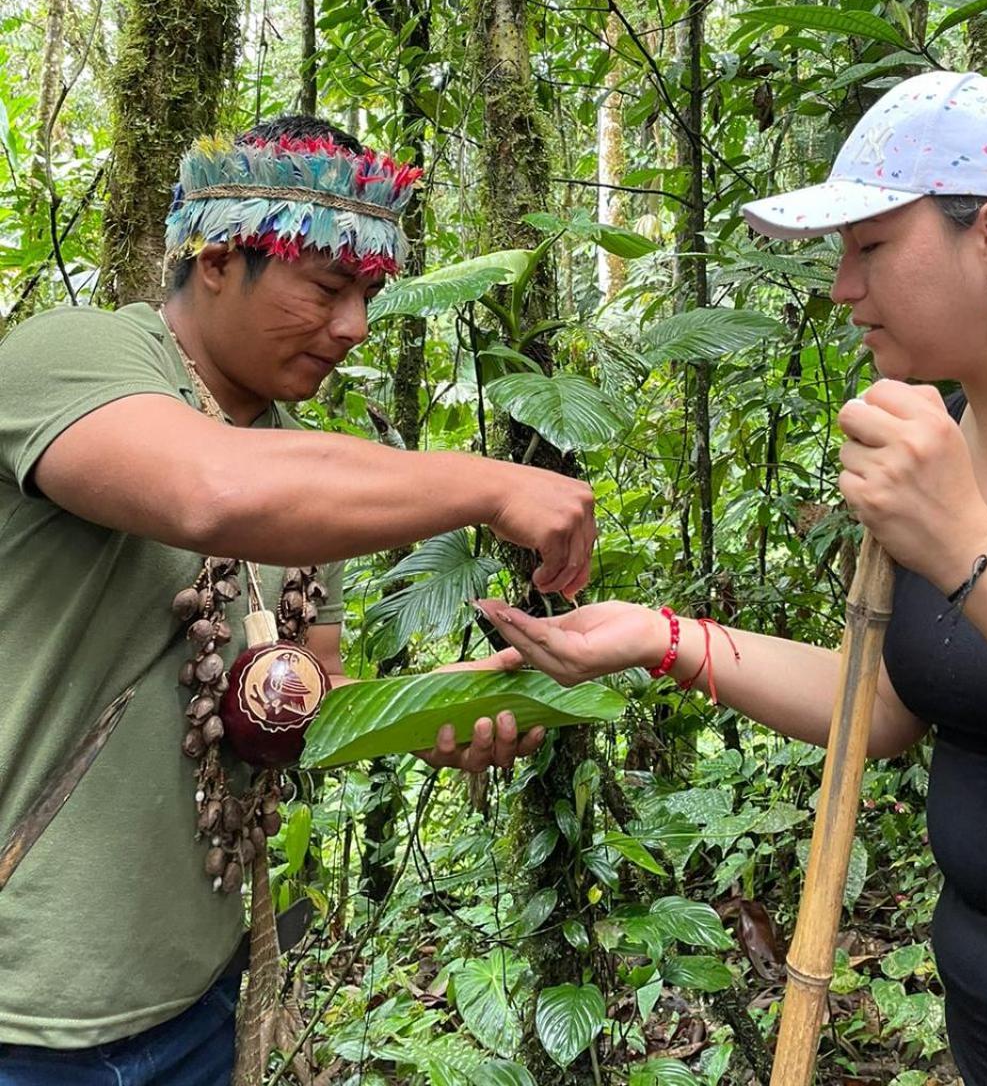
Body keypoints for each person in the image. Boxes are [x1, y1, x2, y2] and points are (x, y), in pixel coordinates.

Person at [475, 70, 987, 1086]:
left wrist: (960, 540)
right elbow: (896, 699)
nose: (841, 287)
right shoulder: (948, 430)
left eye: (871, 248)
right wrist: (658, 639)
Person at [0, 116, 593, 1083]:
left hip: (197, 994)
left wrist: (431, 708)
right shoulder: (73, 355)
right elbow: (213, 494)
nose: (355, 327)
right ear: (220, 259)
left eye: (368, 294)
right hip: (27, 1017)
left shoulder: (307, 476)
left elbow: (306, 696)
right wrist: (494, 484)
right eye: (326, 288)